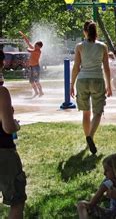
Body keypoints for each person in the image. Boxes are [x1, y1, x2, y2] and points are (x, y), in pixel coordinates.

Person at [71, 21, 112, 155]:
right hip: (97, 80)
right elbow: (106, 68)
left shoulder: (79, 46)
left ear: (85, 31)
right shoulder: (103, 46)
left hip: (82, 80)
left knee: (86, 112)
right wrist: (109, 85)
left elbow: (76, 67)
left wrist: (71, 84)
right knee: (98, 112)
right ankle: (91, 136)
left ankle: (87, 139)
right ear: (96, 32)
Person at [0, 56, 26, 219]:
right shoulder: (2, 92)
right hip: (3, 152)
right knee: (17, 200)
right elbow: (8, 127)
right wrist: (16, 124)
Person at [19, 31, 44, 97]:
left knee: (36, 80)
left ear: (39, 47)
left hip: (36, 67)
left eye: (36, 45)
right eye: (35, 45)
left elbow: (29, 50)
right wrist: (24, 36)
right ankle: (36, 92)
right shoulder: (35, 48)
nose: (35, 45)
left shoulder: (37, 51)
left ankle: (41, 92)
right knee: (31, 81)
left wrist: (27, 48)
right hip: (31, 67)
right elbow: (28, 42)